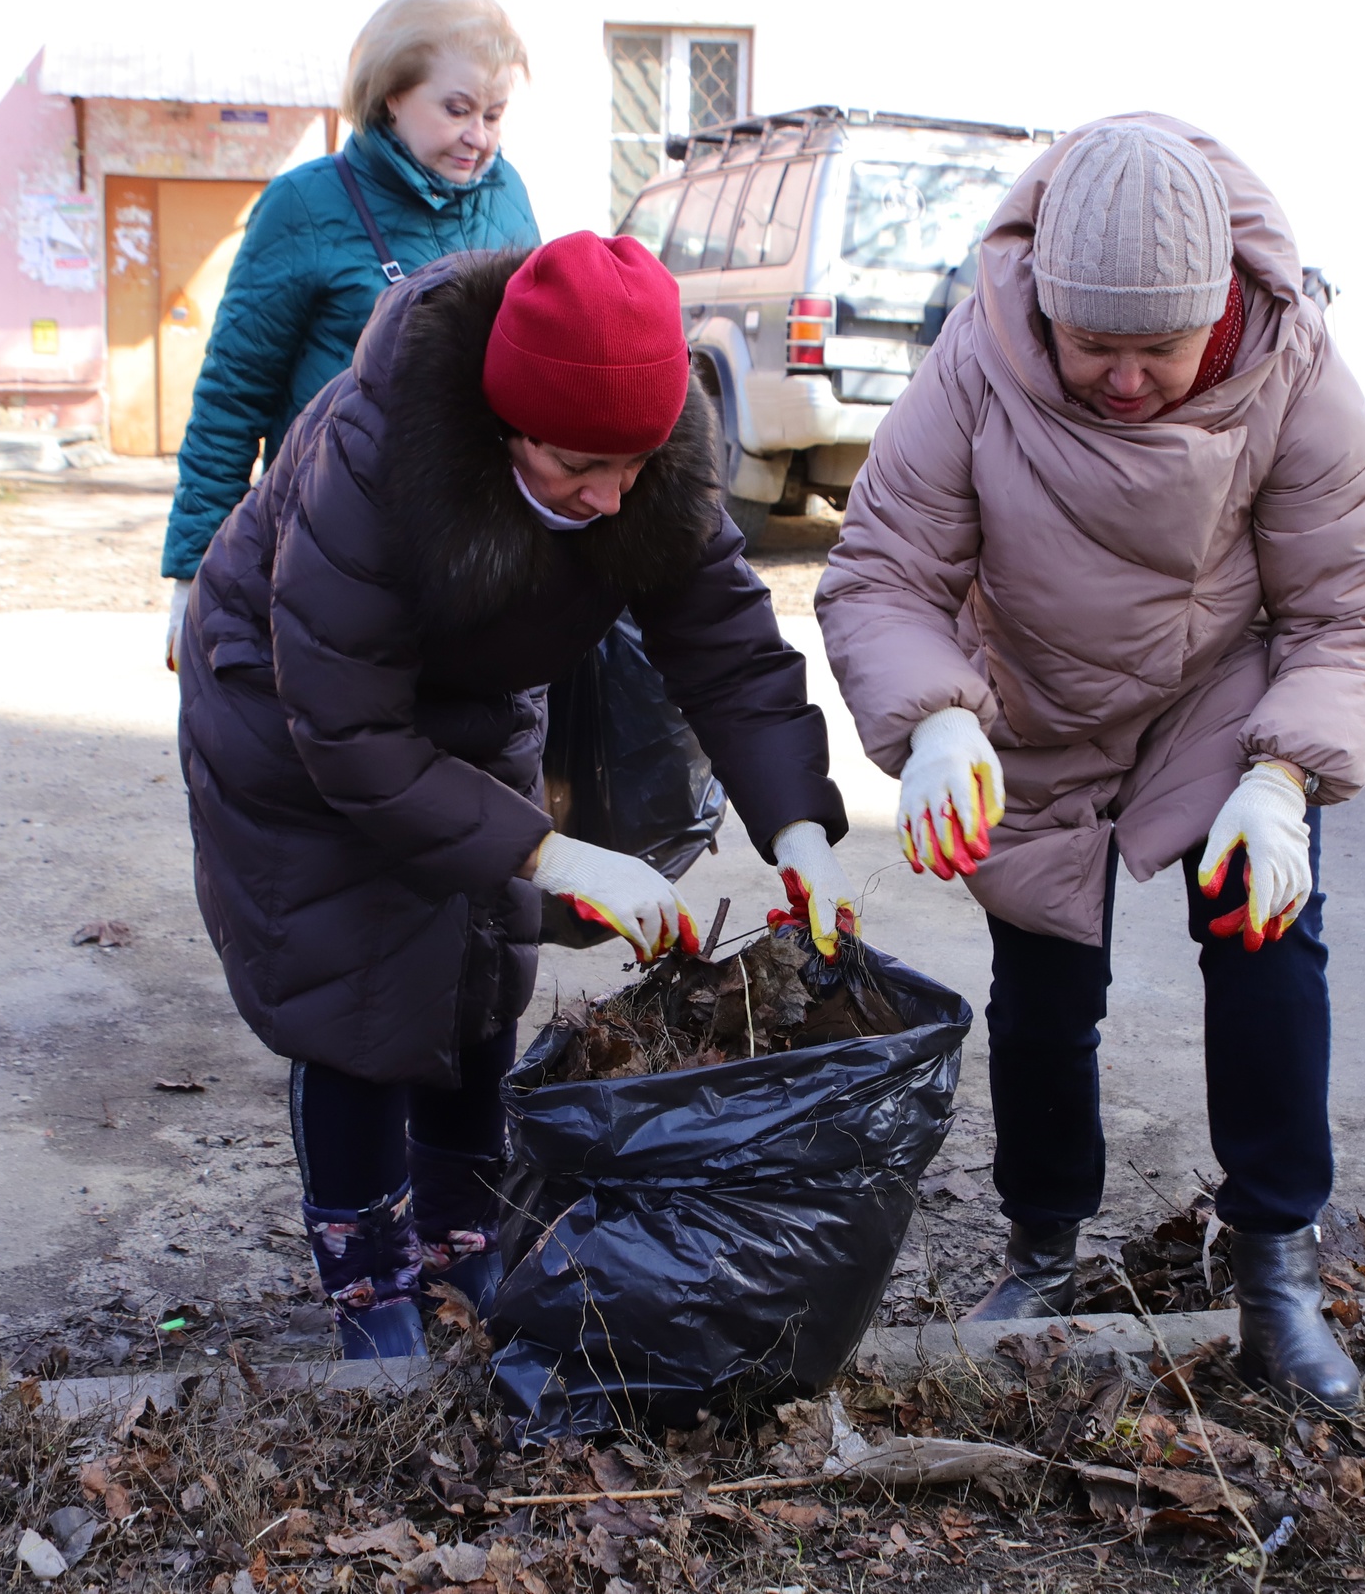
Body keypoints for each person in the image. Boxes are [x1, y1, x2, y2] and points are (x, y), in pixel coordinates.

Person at [816, 117, 1365, 1413]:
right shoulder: (976, 358)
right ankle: (1045, 1250)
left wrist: (1283, 779)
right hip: (1026, 704)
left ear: (1220, 313)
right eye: (1099, 348)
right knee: (1041, 993)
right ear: (1044, 306)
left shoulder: (1294, 368)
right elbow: (882, 572)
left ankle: (1275, 1272)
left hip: (1218, 698)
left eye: (1162, 349)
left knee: (1266, 941)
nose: (1130, 380)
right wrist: (935, 719)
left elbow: (1351, 612)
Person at [177, 231, 861, 1358]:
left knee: (479, 977)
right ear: (504, 424)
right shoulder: (378, 453)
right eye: (574, 469)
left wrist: (801, 830)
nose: (609, 498)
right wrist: (555, 854)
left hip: (473, 702)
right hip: (292, 707)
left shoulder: (647, 459)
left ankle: (458, 1235)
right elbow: (349, 734)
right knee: (357, 994)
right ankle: (367, 1275)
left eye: (632, 466)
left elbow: (728, 652)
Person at [162, 0, 540, 666]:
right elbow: (231, 397)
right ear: (391, 93)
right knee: (329, 744)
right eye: (456, 109)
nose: (478, 137)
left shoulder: (509, 199)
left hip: (469, 555)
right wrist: (198, 574)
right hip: (329, 549)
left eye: (494, 113)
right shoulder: (304, 204)